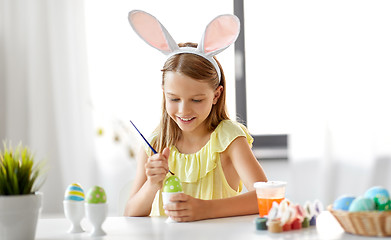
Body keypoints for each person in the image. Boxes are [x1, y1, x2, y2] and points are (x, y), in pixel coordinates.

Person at [124, 10, 267, 222]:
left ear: (216, 95)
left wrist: (205, 210)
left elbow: (266, 197)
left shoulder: (229, 138)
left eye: (197, 100)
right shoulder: (155, 142)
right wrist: (152, 183)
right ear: (164, 93)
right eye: (174, 99)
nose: (183, 111)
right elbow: (130, 212)